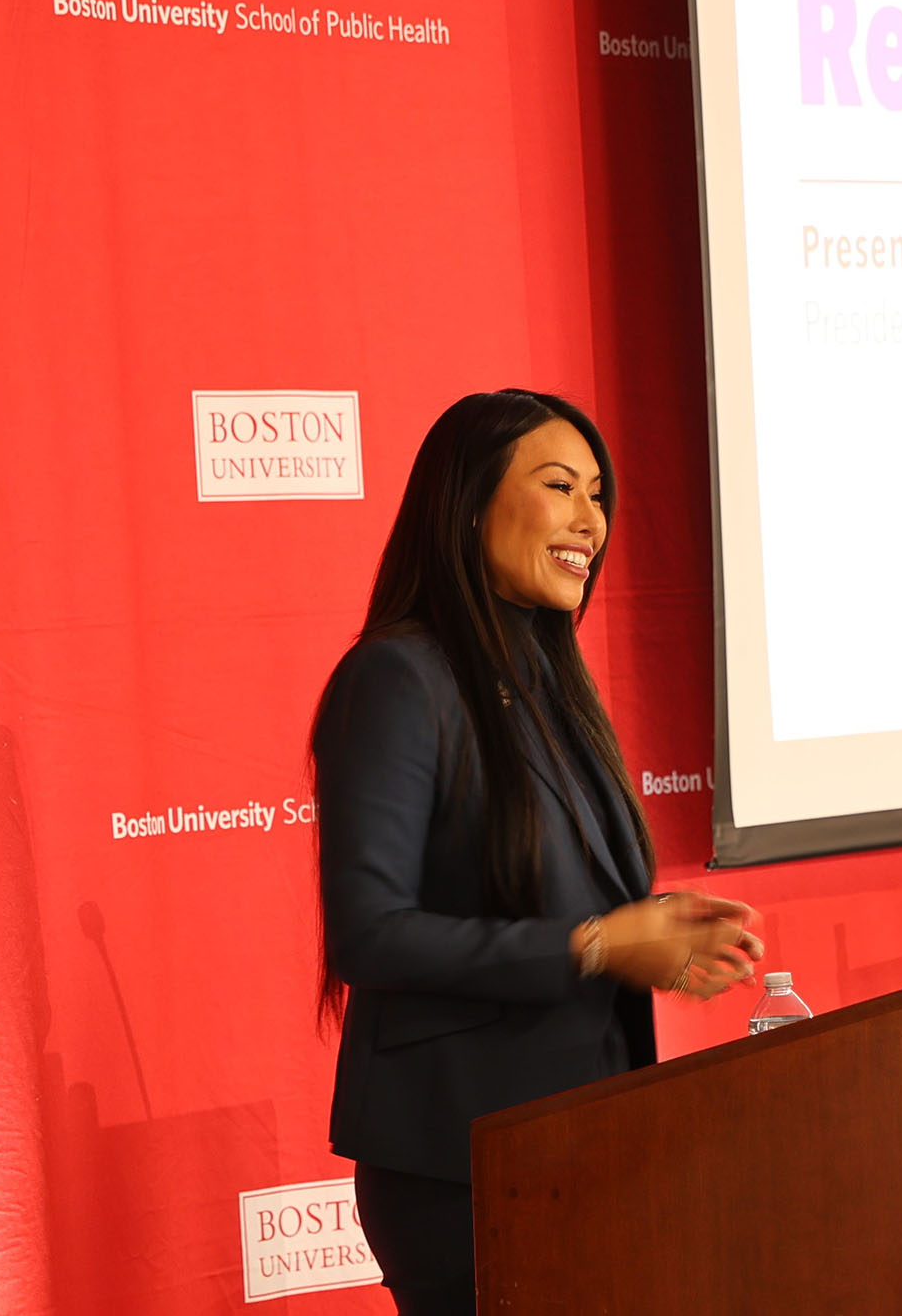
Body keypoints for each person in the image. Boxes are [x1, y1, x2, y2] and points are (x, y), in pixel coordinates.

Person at [311, 389, 763, 1315]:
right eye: (559, 486)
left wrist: (661, 937)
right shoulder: (399, 677)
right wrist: (595, 944)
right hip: (463, 1165)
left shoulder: (556, 692)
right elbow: (371, 932)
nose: (589, 520)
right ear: (469, 503)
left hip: (592, 1144)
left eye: (599, 494)